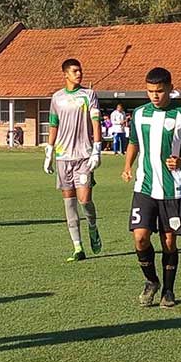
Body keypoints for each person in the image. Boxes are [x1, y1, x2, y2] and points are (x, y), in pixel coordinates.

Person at [123, 67, 181, 308]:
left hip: (171, 189)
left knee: (169, 242)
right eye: (150, 91)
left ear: (170, 88)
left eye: (159, 91)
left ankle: (168, 290)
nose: (154, 95)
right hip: (144, 186)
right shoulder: (138, 114)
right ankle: (151, 281)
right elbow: (134, 143)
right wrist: (127, 166)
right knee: (140, 238)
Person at [44, 58, 103, 261]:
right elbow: (54, 125)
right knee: (69, 203)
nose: (79, 74)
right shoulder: (57, 98)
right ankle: (78, 248)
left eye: (80, 70)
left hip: (84, 156)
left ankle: (93, 226)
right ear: (65, 74)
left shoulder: (89, 95)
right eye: (75, 71)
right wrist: (49, 151)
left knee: (84, 200)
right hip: (63, 157)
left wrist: (97, 149)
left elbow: (96, 123)